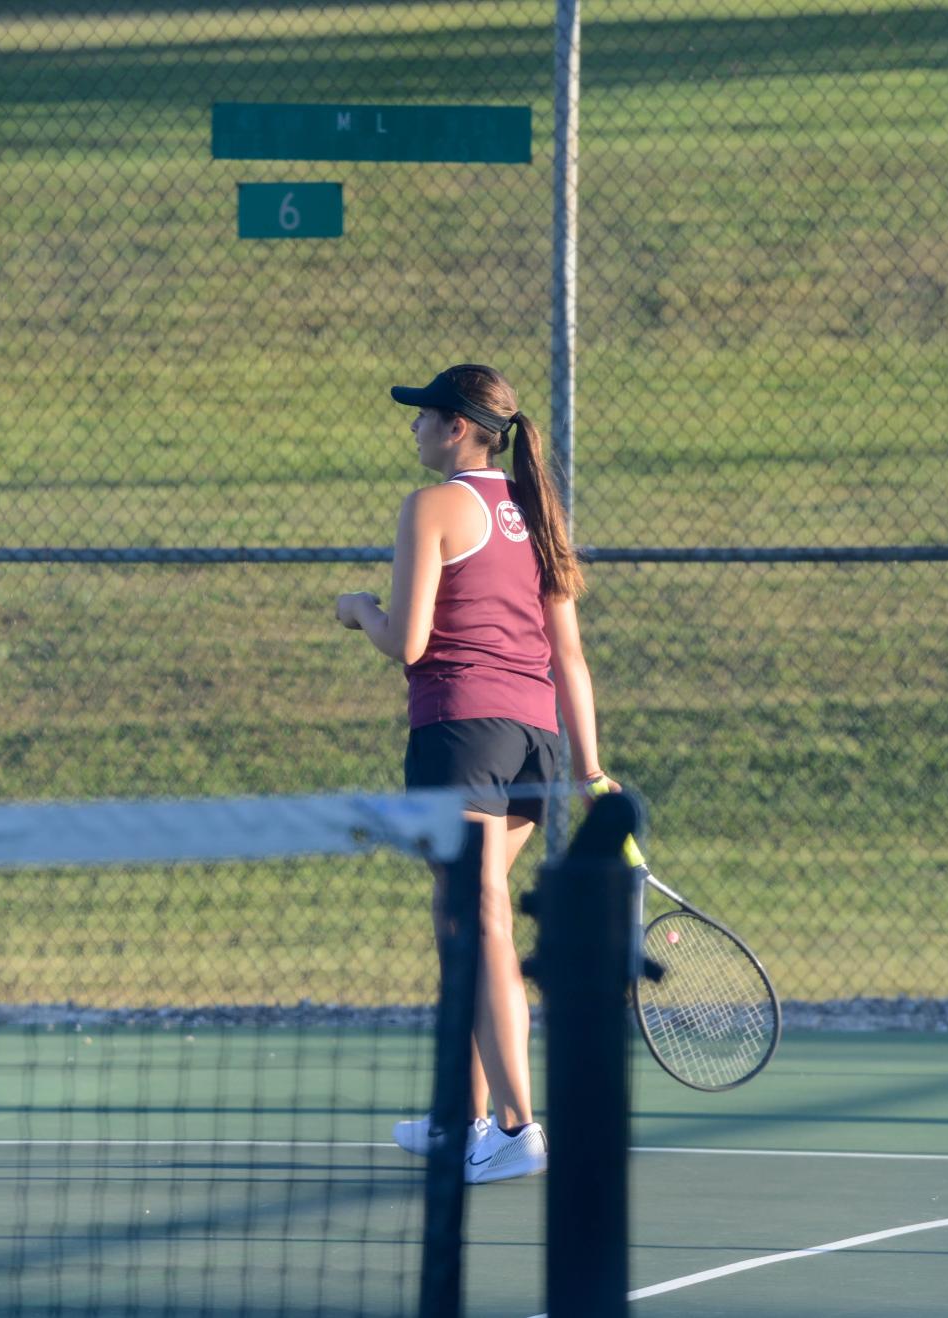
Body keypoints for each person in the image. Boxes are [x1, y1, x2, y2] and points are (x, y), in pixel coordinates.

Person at [335, 363, 617, 1186]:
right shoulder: (536, 514)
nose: (414, 429)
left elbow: (407, 644)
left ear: (458, 426)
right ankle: (458, 1118)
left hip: (461, 737)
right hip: (535, 746)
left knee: (482, 920)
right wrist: (589, 767)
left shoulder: (429, 508)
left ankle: (517, 1125)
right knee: (463, 918)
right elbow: (568, 655)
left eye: (424, 416)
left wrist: (358, 610)